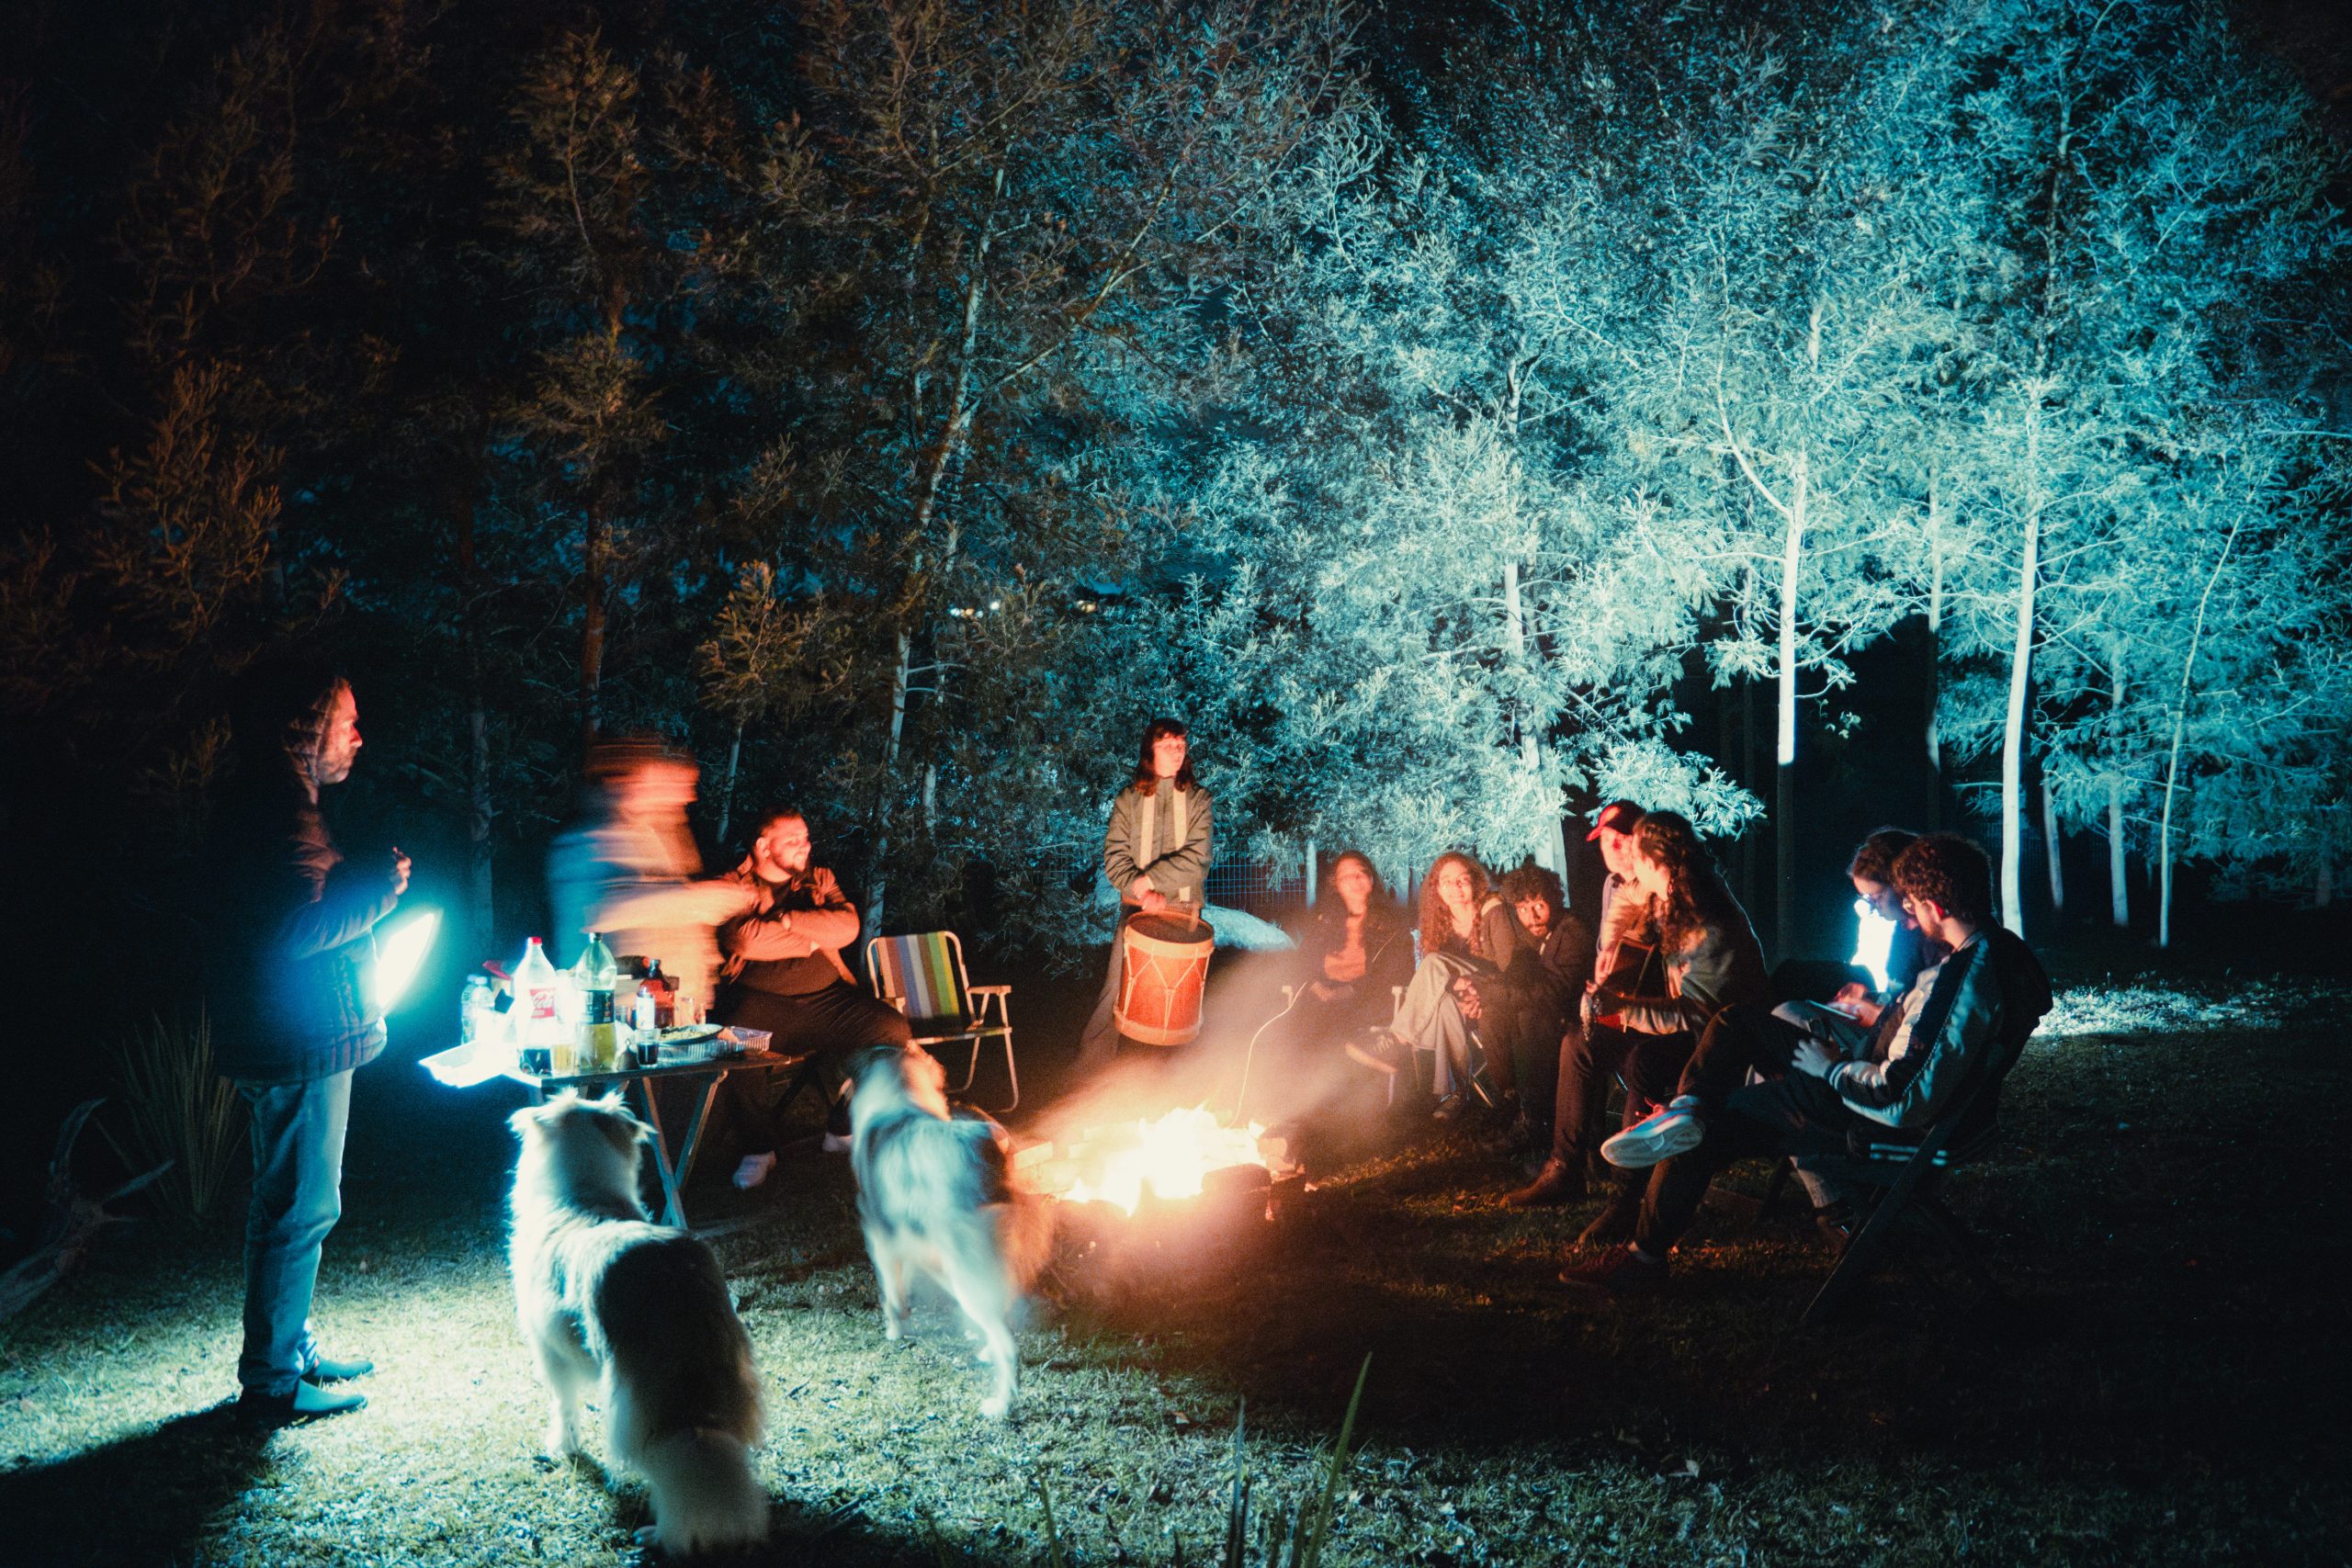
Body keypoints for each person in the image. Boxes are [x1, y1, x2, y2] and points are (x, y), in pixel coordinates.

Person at [1564, 831, 2053, 1295]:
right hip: (1861, 1078)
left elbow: (1901, 1098)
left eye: (1912, 904)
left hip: (1869, 1114)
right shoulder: (1990, 952)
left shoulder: (1962, 980)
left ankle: (1645, 1255)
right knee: (1736, 1022)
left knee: (1707, 1126)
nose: (1907, 914)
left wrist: (1830, 1070)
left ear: (1936, 907)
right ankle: (1685, 1106)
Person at [203, 656, 410, 1425]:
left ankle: (288, 1350)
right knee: (302, 1205)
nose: (358, 736)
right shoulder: (283, 810)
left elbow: (284, 908)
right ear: (308, 726)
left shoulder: (266, 801)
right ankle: (273, 1381)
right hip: (300, 1041)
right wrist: (379, 892)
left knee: (284, 1200)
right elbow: (293, 930)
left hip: (283, 1036)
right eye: (346, 721)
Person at [1517, 811, 1766, 1236]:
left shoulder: (1706, 923)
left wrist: (1624, 1007)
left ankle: (1627, 1199)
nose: (1627, 863)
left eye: (1634, 853)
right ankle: (1563, 1168)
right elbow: (1626, 895)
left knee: (1644, 1059)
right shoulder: (1664, 891)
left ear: (1654, 863)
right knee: (1580, 1042)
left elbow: (1699, 1018)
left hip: (1722, 1047)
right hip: (1680, 1026)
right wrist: (1610, 952)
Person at [715, 807, 915, 1188]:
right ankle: (758, 1148)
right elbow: (744, 939)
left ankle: (842, 1127)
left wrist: (786, 921)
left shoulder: (819, 879)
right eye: (793, 840)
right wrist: (812, 938)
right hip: (764, 1006)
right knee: (735, 1041)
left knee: (890, 1028)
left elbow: (847, 927)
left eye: (806, 838)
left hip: (828, 999)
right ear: (763, 846)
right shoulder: (734, 883)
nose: (805, 847)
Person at [546, 738, 746, 1011]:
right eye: (675, 784)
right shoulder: (587, 840)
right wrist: (700, 898)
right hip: (615, 1012)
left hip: (671, 1008)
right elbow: (596, 910)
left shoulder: (664, 839)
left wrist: (702, 984)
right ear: (632, 781)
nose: (689, 796)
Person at [1076, 717, 1215, 1073]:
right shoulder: (1129, 800)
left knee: (1183, 1001)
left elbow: (1198, 859)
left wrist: (1151, 880)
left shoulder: (1199, 799)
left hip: (1184, 912)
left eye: (1180, 746)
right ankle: (1090, 1075)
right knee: (1115, 991)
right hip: (1136, 911)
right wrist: (1139, 890)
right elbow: (1115, 858)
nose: (1176, 752)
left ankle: (1186, 1077)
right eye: (1167, 745)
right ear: (1149, 751)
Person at [1387, 852, 1525, 1119]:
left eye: (1462, 880)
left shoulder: (1492, 909)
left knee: (1433, 963)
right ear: (1437, 889)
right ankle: (1459, 1092)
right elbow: (1442, 980)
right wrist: (1460, 988)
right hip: (1464, 1002)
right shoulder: (1439, 922)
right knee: (1444, 1004)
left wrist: (1479, 990)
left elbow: (1511, 969)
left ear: (1475, 882)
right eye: (1447, 882)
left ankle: (1398, 1040)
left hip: (1498, 997)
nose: (1455, 888)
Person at [1491, 862, 1597, 1154]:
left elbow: (1558, 991)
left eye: (1538, 905)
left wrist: (1505, 995)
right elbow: (1516, 978)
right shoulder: (1534, 935)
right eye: (1523, 909)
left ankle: (1535, 1121)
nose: (1532, 917)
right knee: (1492, 1014)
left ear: (1554, 898)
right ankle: (1510, 1102)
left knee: (1531, 1018)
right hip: (1546, 1013)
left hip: (1577, 1015)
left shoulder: (1573, 931)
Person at [1289, 850, 1415, 1047]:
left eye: (1360, 872)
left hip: (1368, 1005)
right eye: (1346, 876)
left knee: (1327, 1031)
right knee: (1298, 1027)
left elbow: (1398, 975)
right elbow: (1301, 963)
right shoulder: (1324, 923)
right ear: (1336, 884)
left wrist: (1351, 990)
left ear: (1371, 879)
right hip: (1320, 1002)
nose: (1355, 879)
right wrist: (1315, 986)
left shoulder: (1392, 926)